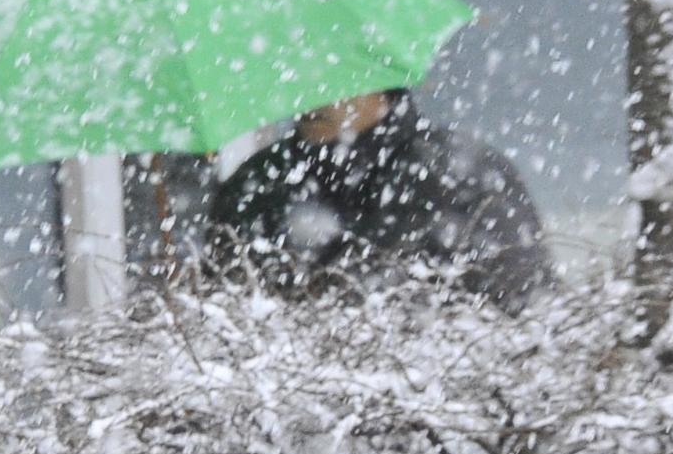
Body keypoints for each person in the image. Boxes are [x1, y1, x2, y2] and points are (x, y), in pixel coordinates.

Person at [202, 86, 549, 307]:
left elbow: (516, 297)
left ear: (383, 85)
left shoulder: (463, 174)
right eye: (307, 76)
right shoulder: (259, 181)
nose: (314, 92)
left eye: (336, 77)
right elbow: (225, 296)